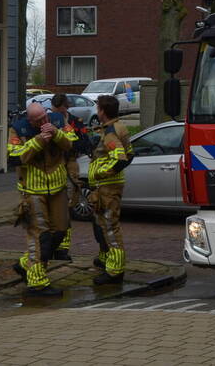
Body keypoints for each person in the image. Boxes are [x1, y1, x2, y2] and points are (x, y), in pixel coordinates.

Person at [7, 102, 76, 297]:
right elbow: (14, 156)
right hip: (33, 191)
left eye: (44, 118)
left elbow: (71, 143)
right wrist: (38, 141)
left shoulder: (57, 121)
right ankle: (37, 283)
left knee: (61, 231)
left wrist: (56, 133)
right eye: (38, 121)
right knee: (41, 237)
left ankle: (25, 264)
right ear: (29, 120)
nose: (43, 122)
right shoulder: (18, 129)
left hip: (58, 187)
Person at [88, 94, 131, 285]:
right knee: (103, 225)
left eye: (98, 108)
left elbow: (121, 159)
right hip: (108, 187)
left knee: (110, 227)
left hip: (108, 187)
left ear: (103, 111)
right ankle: (108, 261)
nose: (97, 111)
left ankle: (115, 271)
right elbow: (130, 154)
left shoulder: (111, 132)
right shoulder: (117, 127)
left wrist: (101, 174)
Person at [47, 93, 92, 261]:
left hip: (70, 164)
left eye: (59, 110)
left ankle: (62, 249)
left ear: (65, 108)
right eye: (53, 110)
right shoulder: (46, 120)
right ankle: (51, 245)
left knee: (66, 207)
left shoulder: (75, 122)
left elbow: (85, 143)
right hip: (53, 166)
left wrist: (66, 139)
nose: (55, 113)